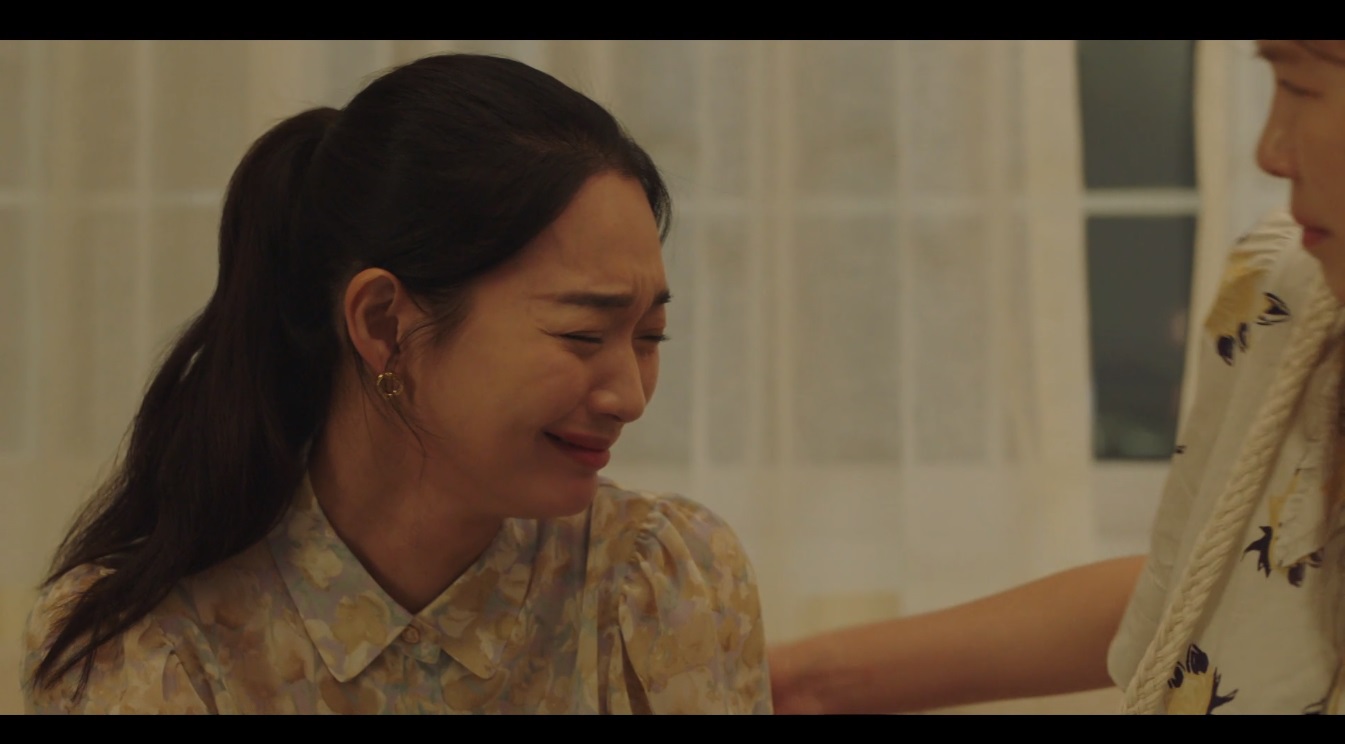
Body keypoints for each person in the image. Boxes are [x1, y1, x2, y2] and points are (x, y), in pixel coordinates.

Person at [20, 53, 771, 715]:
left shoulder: (658, 584)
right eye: (582, 335)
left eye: (649, 338)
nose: (630, 398)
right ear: (384, 324)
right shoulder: (149, 649)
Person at [769, 39, 1345, 715]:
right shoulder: (1279, 298)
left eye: (1302, 88)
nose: (1269, 151)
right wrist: (803, 680)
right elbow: (1210, 589)